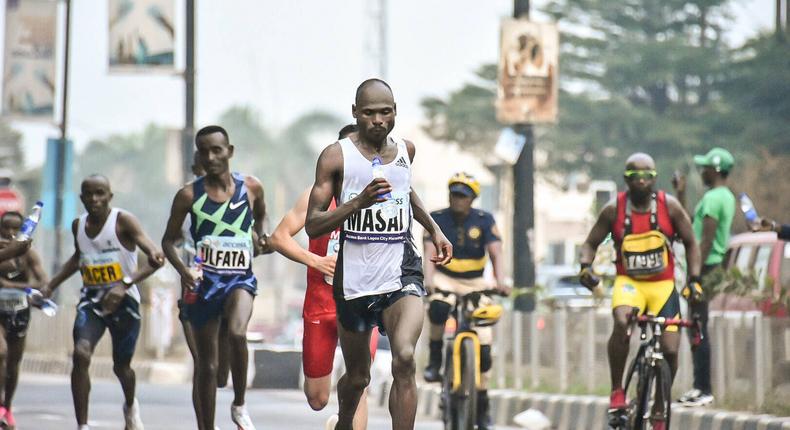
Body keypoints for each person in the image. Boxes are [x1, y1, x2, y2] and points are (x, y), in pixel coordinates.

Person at [305, 79, 452, 430]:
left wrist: (434, 229)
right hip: (354, 279)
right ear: (355, 113)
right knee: (358, 376)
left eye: (385, 112)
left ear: (395, 113)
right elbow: (313, 225)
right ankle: (344, 422)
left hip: (401, 271)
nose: (378, 121)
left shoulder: (406, 150)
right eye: (369, 113)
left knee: (404, 358)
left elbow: (405, 189)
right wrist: (358, 202)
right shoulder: (335, 156)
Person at [580, 153, 701, 430]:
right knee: (622, 322)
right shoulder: (614, 210)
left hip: (663, 287)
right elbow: (590, 243)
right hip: (630, 285)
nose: (642, 181)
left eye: (647, 176)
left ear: (655, 179)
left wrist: (694, 280)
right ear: (626, 179)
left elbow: (692, 243)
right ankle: (617, 392)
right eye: (635, 177)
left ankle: (660, 405)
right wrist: (586, 267)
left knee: (671, 350)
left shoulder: (669, 208)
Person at [271, 124, 380, 430]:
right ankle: (340, 418)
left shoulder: (379, 195)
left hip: (361, 305)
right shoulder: (315, 197)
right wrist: (316, 261)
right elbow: (278, 238)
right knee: (316, 398)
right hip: (321, 305)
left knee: (360, 378)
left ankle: (348, 416)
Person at [162, 125, 268, 430]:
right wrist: (184, 272)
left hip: (239, 280)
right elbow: (168, 241)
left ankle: (239, 405)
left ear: (229, 152)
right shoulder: (188, 195)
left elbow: (262, 216)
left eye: (216, 150)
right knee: (207, 367)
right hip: (204, 284)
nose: (210, 157)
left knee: (237, 333)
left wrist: (261, 237)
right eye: (204, 151)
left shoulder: (251, 187)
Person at [44, 175, 165, 430]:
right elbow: (79, 257)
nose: (94, 200)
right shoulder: (78, 225)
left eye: (100, 193)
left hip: (125, 304)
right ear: (81, 198)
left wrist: (125, 284)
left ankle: (130, 406)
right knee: (80, 354)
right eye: (88, 194)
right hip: (92, 302)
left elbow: (156, 258)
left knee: (121, 367)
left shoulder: (123, 222)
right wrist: (51, 284)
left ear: (110, 196)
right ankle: (83, 424)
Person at [421, 172, 508, 430]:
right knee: (437, 308)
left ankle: (481, 408)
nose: (458, 200)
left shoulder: (484, 220)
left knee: (484, 345)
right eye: (454, 194)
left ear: (473, 199)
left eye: (464, 196)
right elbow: (428, 252)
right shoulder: (435, 219)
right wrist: (429, 280)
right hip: (445, 279)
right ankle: (435, 359)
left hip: (475, 283)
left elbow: (496, 253)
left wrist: (501, 281)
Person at [672, 147, 735, 407]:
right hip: (709, 267)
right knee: (696, 324)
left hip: (705, 267)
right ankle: (700, 387)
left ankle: (703, 388)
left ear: (716, 170)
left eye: (705, 167)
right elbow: (687, 224)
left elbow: (705, 240)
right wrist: (681, 193)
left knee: (697, 325)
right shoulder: (723, 197)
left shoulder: (713, 199)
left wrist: (695, 276)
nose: (702, 172)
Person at [0, 211, 47, 428]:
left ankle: (7, 407)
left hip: (19, 312)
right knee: (1, 352)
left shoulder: (28, 255)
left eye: (15, 229)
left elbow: (44, 283)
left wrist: (12, 286)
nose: (10, 233)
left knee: (13, 363)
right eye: (5, 228)